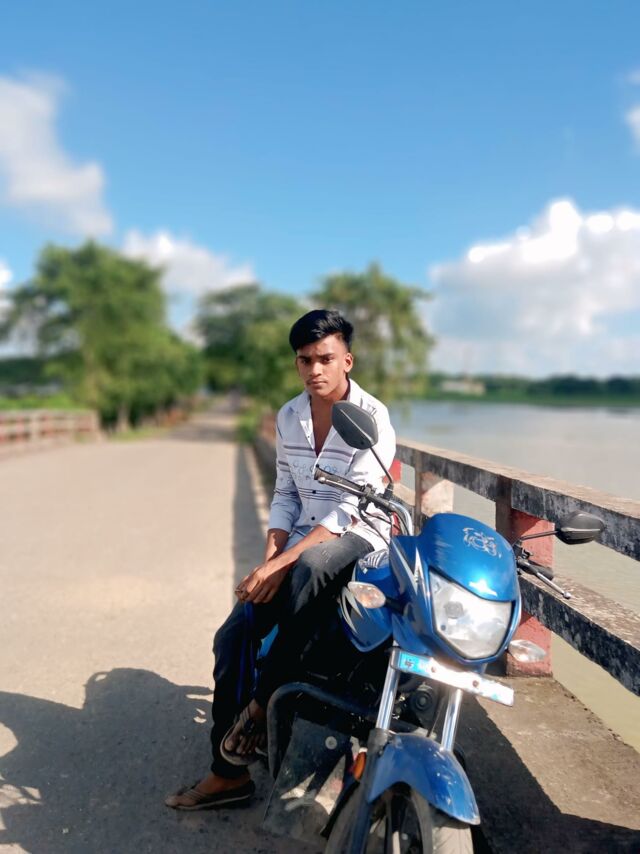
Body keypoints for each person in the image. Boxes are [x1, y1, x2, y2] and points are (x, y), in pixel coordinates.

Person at [165, 309, 396, 810]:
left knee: (311, 566)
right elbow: (286, 491)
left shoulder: (372, 418)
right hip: (301, 542)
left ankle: (260, 703)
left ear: (347, 360)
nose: (315, 369)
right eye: (305, 360)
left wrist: (281, 565)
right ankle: (227, 775)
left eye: (325, 359)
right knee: (233, 635)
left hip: (359, 536)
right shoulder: (289, 416)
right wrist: (270, 556)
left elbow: (348, 510)